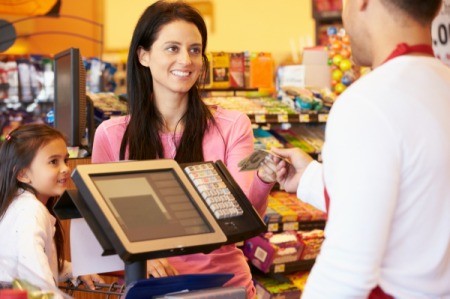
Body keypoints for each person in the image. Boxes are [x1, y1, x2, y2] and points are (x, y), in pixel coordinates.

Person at [91, 1, 276, 297]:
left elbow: (243, 212)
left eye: (194, 50)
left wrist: (265, 179)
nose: (186, 60)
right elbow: (101, 226)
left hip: (225, 286)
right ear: (143, 55)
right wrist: (144, 258)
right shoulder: (112, 135)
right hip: (148, 286)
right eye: (172, 48)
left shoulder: (233, 125)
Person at [271, 0, 450, 297]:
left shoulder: (367, 102)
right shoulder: (442, 85)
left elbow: (345, 272)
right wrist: (311, 178)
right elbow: (420, 196)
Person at [0, 124, 104, 294]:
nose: (66, 168)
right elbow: (38, 282)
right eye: (53, 162)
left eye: (66, 160)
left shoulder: (19, 205)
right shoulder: (30, 212)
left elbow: (34, 260)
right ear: (23, 174)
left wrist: (73, 270)